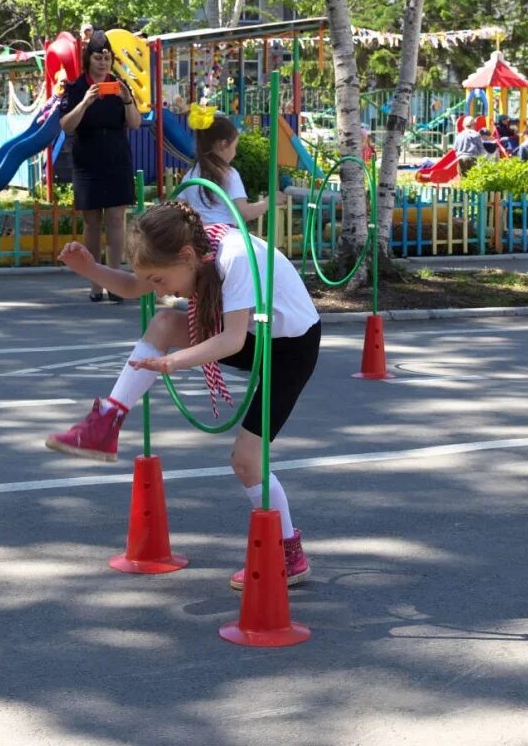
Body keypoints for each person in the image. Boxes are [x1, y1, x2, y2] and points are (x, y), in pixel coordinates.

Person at [45, 201, 322, 589]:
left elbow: (230, 339)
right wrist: (89, 268)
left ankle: (288, 553)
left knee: (245, 460)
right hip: (252, 336)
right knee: (163, 321)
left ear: (187, 257)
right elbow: (130, 286)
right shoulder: (187, 251)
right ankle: (105, 422)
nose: (159, 289)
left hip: (289, 348)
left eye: (160, 280)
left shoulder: (236, 257)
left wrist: (174, 364)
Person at [60, 30, 143, 302]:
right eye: (98, 58)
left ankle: (115, 279)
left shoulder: (120, 86)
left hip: (116, 158)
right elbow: (66, 125)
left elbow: (134, 123)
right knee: (92, 221)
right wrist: (86, 102)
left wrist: (127, 99)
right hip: (88, 159)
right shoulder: (75, 88)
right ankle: (95, 281)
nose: (103, 63)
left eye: (107, 58)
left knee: (117, 220)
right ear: (89, 59)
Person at [176, 105, 277, 226]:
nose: (235, 152)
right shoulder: (229, 174)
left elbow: (178, 206)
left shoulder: (191, 175)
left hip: (199, 237)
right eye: (234, 147)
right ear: (223, 145)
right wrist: (269, 202)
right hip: (224, 236)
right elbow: (244, 213)